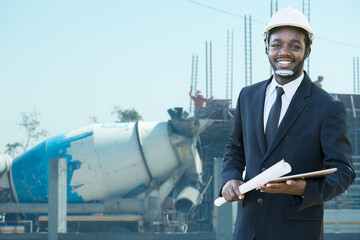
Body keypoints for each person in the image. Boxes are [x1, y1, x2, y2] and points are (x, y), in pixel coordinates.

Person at [220, 7, 355, 240]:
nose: (284, 52)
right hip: (248, 230)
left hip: (297, 231)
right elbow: (235, 149)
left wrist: (303, 188)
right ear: (267, 48)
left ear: (308, 50)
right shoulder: (248, 96)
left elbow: (343, 172)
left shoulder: (327, 106)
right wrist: (230, 178)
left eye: (294, 45)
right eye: (276, 45)